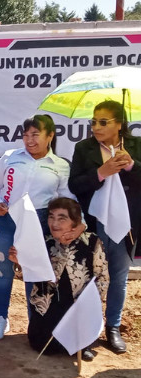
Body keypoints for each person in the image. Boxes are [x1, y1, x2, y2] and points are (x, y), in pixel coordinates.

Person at [0, 114, 82, 341]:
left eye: (35, 135)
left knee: (33, 273)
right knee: (3, 270)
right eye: (26, 135)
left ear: (50, 136)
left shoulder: (60, 165)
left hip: (39, 225)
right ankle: (0, 317)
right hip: (6, 220)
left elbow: (67, 197)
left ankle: (34, 322)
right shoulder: (10, 157)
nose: (29, 140)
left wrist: (79, 220)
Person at [69, 99, 141, 354]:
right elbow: (75, 185)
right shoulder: (83, 148)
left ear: (119, 124)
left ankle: (113, 328)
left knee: (119, 278)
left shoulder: (136, 146)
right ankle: (88, 332)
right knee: (89, 278)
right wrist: (102, 172)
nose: (96, 127)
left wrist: (131, 166)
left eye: (103, 122)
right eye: (93, 122)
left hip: (126, 225)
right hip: (93, 223)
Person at [17, 198, 108, 360]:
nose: (54, 223)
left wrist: (92, 305)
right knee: (43, 346)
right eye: (51, 217)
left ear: (74, 222)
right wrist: (19, 263)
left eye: (62, 218)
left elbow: (102, 276)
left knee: (77, 344)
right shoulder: (43, 242)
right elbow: (26, 276)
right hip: (48, 308)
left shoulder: (92, 242)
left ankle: (83, 342)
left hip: (78, 309)